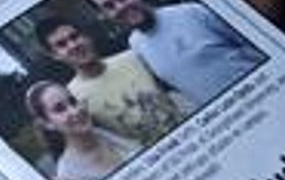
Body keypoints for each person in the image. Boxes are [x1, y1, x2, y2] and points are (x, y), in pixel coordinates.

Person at [85, 0, 264, 107]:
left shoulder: (193, 12)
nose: (120, 7)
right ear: (104, 15)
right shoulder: (136, 45)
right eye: (109, 6)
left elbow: (257, 44)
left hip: (262, 94)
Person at [34, 15, 191, 145]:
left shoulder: (133, 57)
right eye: (61, 44)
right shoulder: (72, 98)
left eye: (74, 36)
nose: (73, 45)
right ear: (54, 55)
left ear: (86, 37)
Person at [25, 80, 141, 180]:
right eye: (60, 109)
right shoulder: (70, 178)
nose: (75, 111)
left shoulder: (110, 130)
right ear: (47, 124)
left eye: (73, 101)